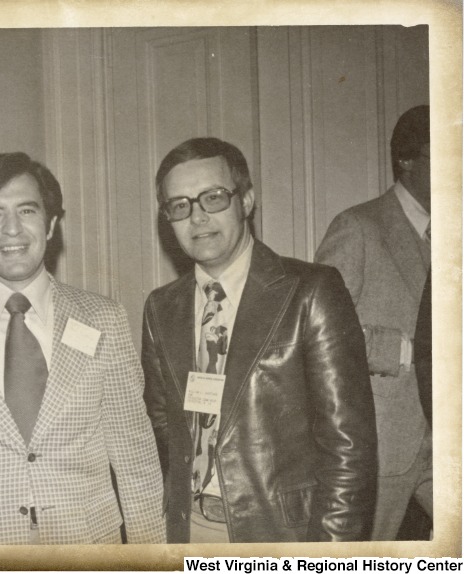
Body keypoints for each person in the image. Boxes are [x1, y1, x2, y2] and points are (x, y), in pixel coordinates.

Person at [0, 152, 165, 545]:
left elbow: (135, 459)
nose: (11, 229)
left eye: (26, 211)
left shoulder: (104, 319)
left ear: (51, 225)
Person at [142, 137, 377, 543]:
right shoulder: (162, 307)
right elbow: (163, 419)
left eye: (213, 198)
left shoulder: (310, 291)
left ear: (246, 201)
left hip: (283, 533)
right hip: (188, 530)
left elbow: (349, 449)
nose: (197, 217)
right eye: (180, 205)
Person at [315, 105, 432, 540]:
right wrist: (406, 352)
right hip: (384, 442)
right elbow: (321, 333)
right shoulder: (358, 227)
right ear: (405, 160)